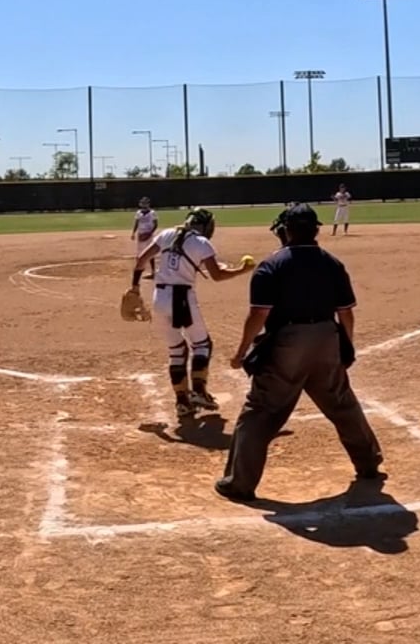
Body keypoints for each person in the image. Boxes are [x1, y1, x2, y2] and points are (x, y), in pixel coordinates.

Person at [218, 203, 384, 502]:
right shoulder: (332, 263)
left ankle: (239, 483)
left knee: (261, 410)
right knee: (342, 403)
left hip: (288, 343)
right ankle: (369, 463)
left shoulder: (271, 265)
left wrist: (241, 352)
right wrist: (345, 346)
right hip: (327, 338)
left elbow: (258, 314)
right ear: (316, 230)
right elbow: (346, 313)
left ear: (286, 231)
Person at [129, 208, 254, 420]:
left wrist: (134, 287)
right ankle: (198, 392)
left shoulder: (167, 234)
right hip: (182, 299)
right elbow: (217, 275)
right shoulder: (202, 243)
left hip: (159, 298)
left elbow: (141, 259)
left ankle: (182, 403)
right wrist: (242, 270)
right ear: (206, 226)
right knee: (202, 345)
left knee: (176, 350)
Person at [128, 197, 159, 288]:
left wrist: (149, 233)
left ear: (148, 204)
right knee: (139, 254)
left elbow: (156, 224)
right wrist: (133, 233)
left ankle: (153, 272)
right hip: (141, 235)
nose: (144, 204)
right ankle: (139, 270)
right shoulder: (138, 213)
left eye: (145, 203)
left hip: (148, 235)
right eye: (142, 203)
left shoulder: (152, 213)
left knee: (150, 253)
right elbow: (136, 223)